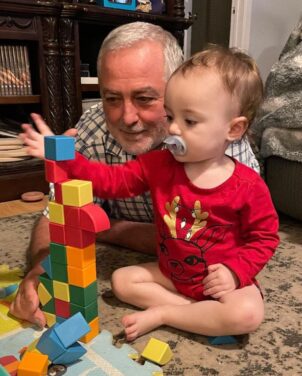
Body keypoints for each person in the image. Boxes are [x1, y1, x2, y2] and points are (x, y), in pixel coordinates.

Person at [10, 22, 261, 328]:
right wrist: (40, 269)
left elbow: (258, 238)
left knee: (247, 312)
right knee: (121, 282)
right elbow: (63, 210)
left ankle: (201, 313)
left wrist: (235, 271)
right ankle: (193, 314)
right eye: (112, 99)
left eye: (145, 98)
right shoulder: (100, 136)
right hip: (169, 270)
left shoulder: (228, 151)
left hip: (214, 273)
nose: (127, 118)